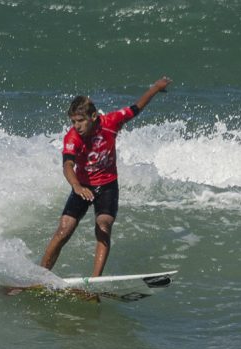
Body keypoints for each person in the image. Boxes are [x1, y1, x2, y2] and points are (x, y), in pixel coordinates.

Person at [40, 77, 172, 277]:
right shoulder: (72, 138)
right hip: (82, 186)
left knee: (103, 225)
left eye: (81, 121)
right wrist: (76, 186)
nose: (77, 126)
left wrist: (155, 88)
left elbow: (136, 108)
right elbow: (67, 165)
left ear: (93, 116)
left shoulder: (112, 122)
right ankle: (40, 275)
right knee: (64, 229)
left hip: (107, 186)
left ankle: (95, 281)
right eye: (73, 122)